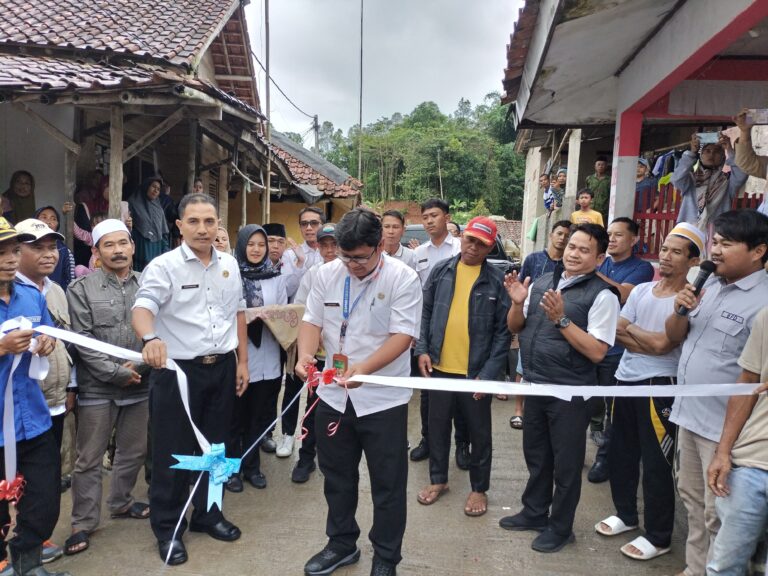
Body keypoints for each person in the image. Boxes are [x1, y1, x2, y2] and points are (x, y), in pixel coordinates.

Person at [295, 208, 421, 576]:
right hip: (334, 397)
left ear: (381, 245)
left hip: (382, 399)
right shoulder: (326, 274)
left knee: (388, 483)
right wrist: (305, 356)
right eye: (345, 256)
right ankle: (341, 543)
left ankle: (386, 556)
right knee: (336, 476)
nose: (352, 265)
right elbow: (311, 321)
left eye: (360, 258)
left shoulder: (404, 278)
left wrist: (366, 369)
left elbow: (403, 336)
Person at [132, 193, 249, 566]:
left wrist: (242, 361)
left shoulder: (229, 264)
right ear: (179, 225)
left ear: (218, 225)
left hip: (223, 366)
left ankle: (209, 515)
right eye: (194, 221)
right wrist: (150, 338)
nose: (203, 229)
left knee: (216, 448)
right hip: (178, 372)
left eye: (210, 221)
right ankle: (168, 529)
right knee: (174, 452)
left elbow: (239, 314)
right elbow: (143, 308)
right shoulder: (163, 266)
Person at [502, 223, 620, 553]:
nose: (573, 253)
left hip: (570, 392)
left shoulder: (602, 295)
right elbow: (516, 327)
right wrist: (516, 303)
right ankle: (534, 512)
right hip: (537, 385)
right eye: (571, 246)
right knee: (537, 456)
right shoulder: (542, 281)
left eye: (584, 250)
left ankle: (561, 527)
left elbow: (598, 351)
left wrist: (561, 320)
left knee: (566, 465)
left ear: (599, 258)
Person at [665, 209, 768, 576]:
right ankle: (694, 569)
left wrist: (727, 445)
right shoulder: (706, 286)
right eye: (715, 242)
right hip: (689, 416)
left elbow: (752, 377)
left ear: (758, 252)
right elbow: (675, 338)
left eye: (726, 244)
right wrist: (680, 309)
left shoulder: (764, 304)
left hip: (725, 430)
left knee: (718, 514)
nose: (716, 251)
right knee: (693, 504)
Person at [594, 224, 704, 561]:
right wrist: (649, 340)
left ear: (693, 260)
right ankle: (626, 515)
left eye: (676, 252)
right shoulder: (642, 290)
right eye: (665, 249)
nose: (666, 256)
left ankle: (658, 536)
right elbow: (618, 331)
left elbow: (663, 347)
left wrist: (640, 336)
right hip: (625, 380)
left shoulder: (690, 299)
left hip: (660, 387)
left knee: (656, 461)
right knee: (620, 453)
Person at [415, 217, 511, 517]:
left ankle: (479, 489)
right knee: (437, 428)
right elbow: (425, 312)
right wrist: (422, 350)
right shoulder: (441, 271)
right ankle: (438, 480)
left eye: (480, 244)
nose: (472, 247)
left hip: (475, 374)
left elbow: (503, 333)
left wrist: (489, 374)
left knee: (480, 435)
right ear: (462, 239)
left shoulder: (497, 280)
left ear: (490, 247)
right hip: (440, 368)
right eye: (469, 239)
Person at [64, 219, 149, 556]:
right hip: (98, 388)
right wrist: (115, 373)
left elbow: (160, 330)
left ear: (132, 246)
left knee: (133, 452)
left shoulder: (148, 285)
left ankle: (122, 502)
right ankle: (82, 522)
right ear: (96, 252)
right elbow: (81, 341)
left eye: (122, 243)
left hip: (141, 383)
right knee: (89, 459)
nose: (117, 250)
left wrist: (138, 366)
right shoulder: (80, 289)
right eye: (108, 245)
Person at [0, 217, 66, 576]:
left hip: (33, 418)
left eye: (12, 251)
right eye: (2, 253)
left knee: (43, 497)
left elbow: (48, 333)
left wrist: (46, 342)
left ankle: (28, 562)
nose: (10, 260)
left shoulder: (29, 295)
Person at [13, 218, 74, 566]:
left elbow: (64, 342)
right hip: (12, 409)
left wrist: (72, 386)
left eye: (52, 247)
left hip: (47, 404)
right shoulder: (11, 292)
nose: (48, 254)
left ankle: (30, 547)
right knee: (9, 481)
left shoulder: (53, 290)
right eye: (37, 247)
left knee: (41, 485)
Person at [587, 217, 655, 483]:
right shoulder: (602, 262)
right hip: (589, 344)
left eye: (618, 235)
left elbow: (623, 294)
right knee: (585, 403)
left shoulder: (642, 268)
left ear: (634, 239)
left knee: (612, 409)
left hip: (615, 352)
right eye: (609, 234)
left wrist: (591, 269)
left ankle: (605, 458)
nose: (612, 239)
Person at [707, 305, 768, 574]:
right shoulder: (767, 316)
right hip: (752, 462)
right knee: (723, 566)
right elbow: (748, 382)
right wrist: (723, 451)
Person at [227, 225, 287, 490]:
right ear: (241, 245)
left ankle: (252, 467)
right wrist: (247, 316)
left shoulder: (276, 277)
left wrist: (273, 316)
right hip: (239, 355)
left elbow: (285, 315)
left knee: (258, 417)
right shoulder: (229, 275)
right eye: (251, 244)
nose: (256, 249)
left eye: (261, 245)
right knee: (235, 417)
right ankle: (232, 470)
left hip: (268, 354)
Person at [411, 198, 464, 465]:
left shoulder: (460, 248)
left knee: (460, 395)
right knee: (428, 393)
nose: (429, 221)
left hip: (458, 327)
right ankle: (427, 441)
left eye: (434, 215)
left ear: (447, 217)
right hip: (429, 328)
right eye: (425, 217)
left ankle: (462, 446)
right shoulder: (418, 253)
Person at [291, 223, 338, 483]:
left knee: (339, 411)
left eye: (335, 244)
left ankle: (331, 459)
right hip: (318, 356)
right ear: (318, 247)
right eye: (325, 245)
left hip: (343, 357)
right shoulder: (313, 273)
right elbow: (302, 309)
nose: (330, 250)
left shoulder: (351, 271)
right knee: (313, 408)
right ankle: (306, 457)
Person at [673, 132, 748, 246]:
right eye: (707, 151)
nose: (711, 154)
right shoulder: (691, 178)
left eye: (717, 151)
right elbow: (677, 179)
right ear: (701, 156)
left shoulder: (727, 181)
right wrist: (692, 152)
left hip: (717, 231)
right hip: (689, 228)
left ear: (723, 157)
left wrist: (730, 150)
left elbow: (742, 173)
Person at [128, 176, 170, 272]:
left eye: (158, 189)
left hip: (156, 247)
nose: (155, 190)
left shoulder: (158, 207)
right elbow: (128, 227)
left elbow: (163, 231)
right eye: (153, 187)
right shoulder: (133, 203)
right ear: (146, 186)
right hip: (141, 246)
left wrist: (166, 249)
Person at [34, 207, 75, 292]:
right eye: (44, 217)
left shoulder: (64, 250)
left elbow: (70, 279)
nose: (49, 222)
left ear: (57, 225)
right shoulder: (27, 247)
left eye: (53, 219)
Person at [585, 156, 610, 224]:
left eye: (603, 165)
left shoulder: (609, 180)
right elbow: (586, 193)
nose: (600, 166)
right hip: (590, 208)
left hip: (604, 211)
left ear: (606, 166)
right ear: (595, 166)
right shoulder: (589, 179)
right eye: (598, 164)